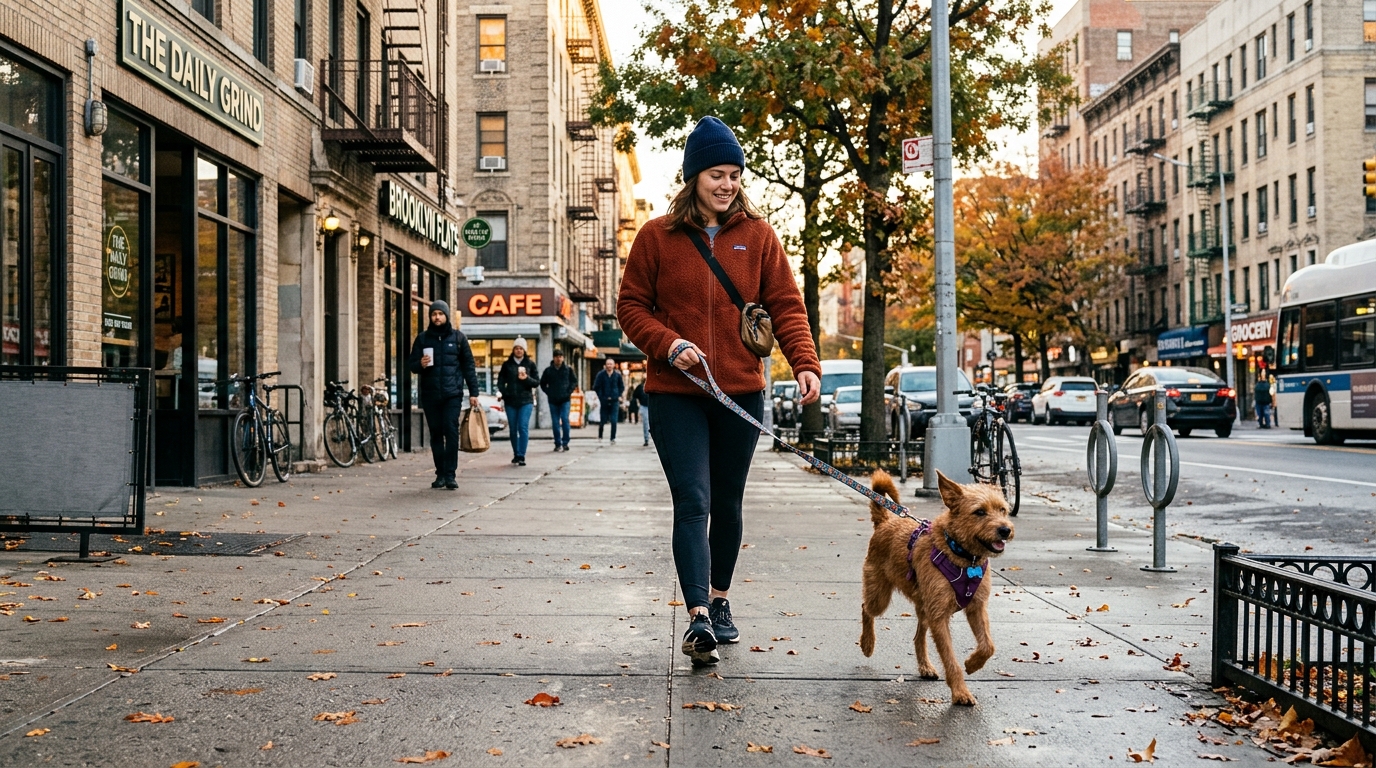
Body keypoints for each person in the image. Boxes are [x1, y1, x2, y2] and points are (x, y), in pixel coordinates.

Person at [618, 116, 822, 667]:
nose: (727, 184)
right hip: (675, 392)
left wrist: (804, 362)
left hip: (740, 392)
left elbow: (786, 306)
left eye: (734, 174)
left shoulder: (758, 236)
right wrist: (668, 345)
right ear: (693, 177)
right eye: (716, 174)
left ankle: (720, 597)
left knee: (727, 502)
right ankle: (698, 617)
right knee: (694, 500)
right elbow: (630, 308)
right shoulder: (656, 237)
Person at [406, 301, 480, 489]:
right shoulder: (423, 339)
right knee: (436, 434)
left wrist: (474, 392)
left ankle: (450, 475)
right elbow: (411, 364)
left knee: (451, 430)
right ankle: (440, 474)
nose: (437, 317)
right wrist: (420, 364)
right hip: (430, 395)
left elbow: (468, 366)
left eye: (440, 314)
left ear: (446, 316)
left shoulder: (458, 338)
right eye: (434, 314)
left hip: (452, 394)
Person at [497, 337, 539, 465]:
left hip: (526, 401)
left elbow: (536, 382)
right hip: (511, 401)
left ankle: (521, 455)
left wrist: (526, 378)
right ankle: (516, 453)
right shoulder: (507, 365)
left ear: (524, 350)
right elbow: (500, 381)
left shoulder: (530, 364)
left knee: (523, 426)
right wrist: (505, 393)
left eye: (521, 348)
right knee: (513, 429)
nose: (519, 350)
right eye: (516, 348)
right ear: (513, 350)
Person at [540, 349, 578, 451]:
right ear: (553, 358)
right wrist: (549, 392)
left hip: (565, 399)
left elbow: (574, 381)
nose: (558, 359)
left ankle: (565, 442)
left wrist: (568, 391)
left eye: (560, 357)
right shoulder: (548, 371)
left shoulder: (568, 370)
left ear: (563, 358)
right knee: (555, 422)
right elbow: (542, 383)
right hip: (553, 400)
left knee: (565, 419)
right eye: (557, 357)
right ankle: (557, 443)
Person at [592, 358, 624, 443]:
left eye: (611, 364)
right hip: (604, 400)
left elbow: (621, 386)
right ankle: (600, 436)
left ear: (614, 365)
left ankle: (612, 437)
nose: (609, 366)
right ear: (605, 365)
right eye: (608, 364)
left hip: (614, 400)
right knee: (603, 419)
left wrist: (618, 395)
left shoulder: (617, 375)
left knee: (614, 420)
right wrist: (601, 396)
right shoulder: (601, 375)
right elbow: (596, 386)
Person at [629, 379, 650, 446]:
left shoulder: (652, 386)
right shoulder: (640, 387)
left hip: (650, 405)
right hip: (644, 405)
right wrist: (638, 402)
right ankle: (646, 439)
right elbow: (635, 395)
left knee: (650, 423)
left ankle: (649, 438)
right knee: (646, 423)